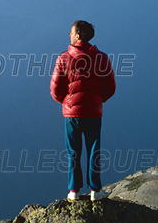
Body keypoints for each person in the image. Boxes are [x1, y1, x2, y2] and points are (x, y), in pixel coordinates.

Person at [50, 20, 116, 201]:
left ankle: (74, 191)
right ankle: (95, 190)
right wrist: (97, 100)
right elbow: (110, 87)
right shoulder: (101, 58)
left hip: (72, 115)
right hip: (94, 113)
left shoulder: (64, 58)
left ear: (78, 36)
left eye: (71, 32)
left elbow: (55, 89)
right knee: (94, 150)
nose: (69, 34)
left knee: (73, 152)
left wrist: (67, 103)